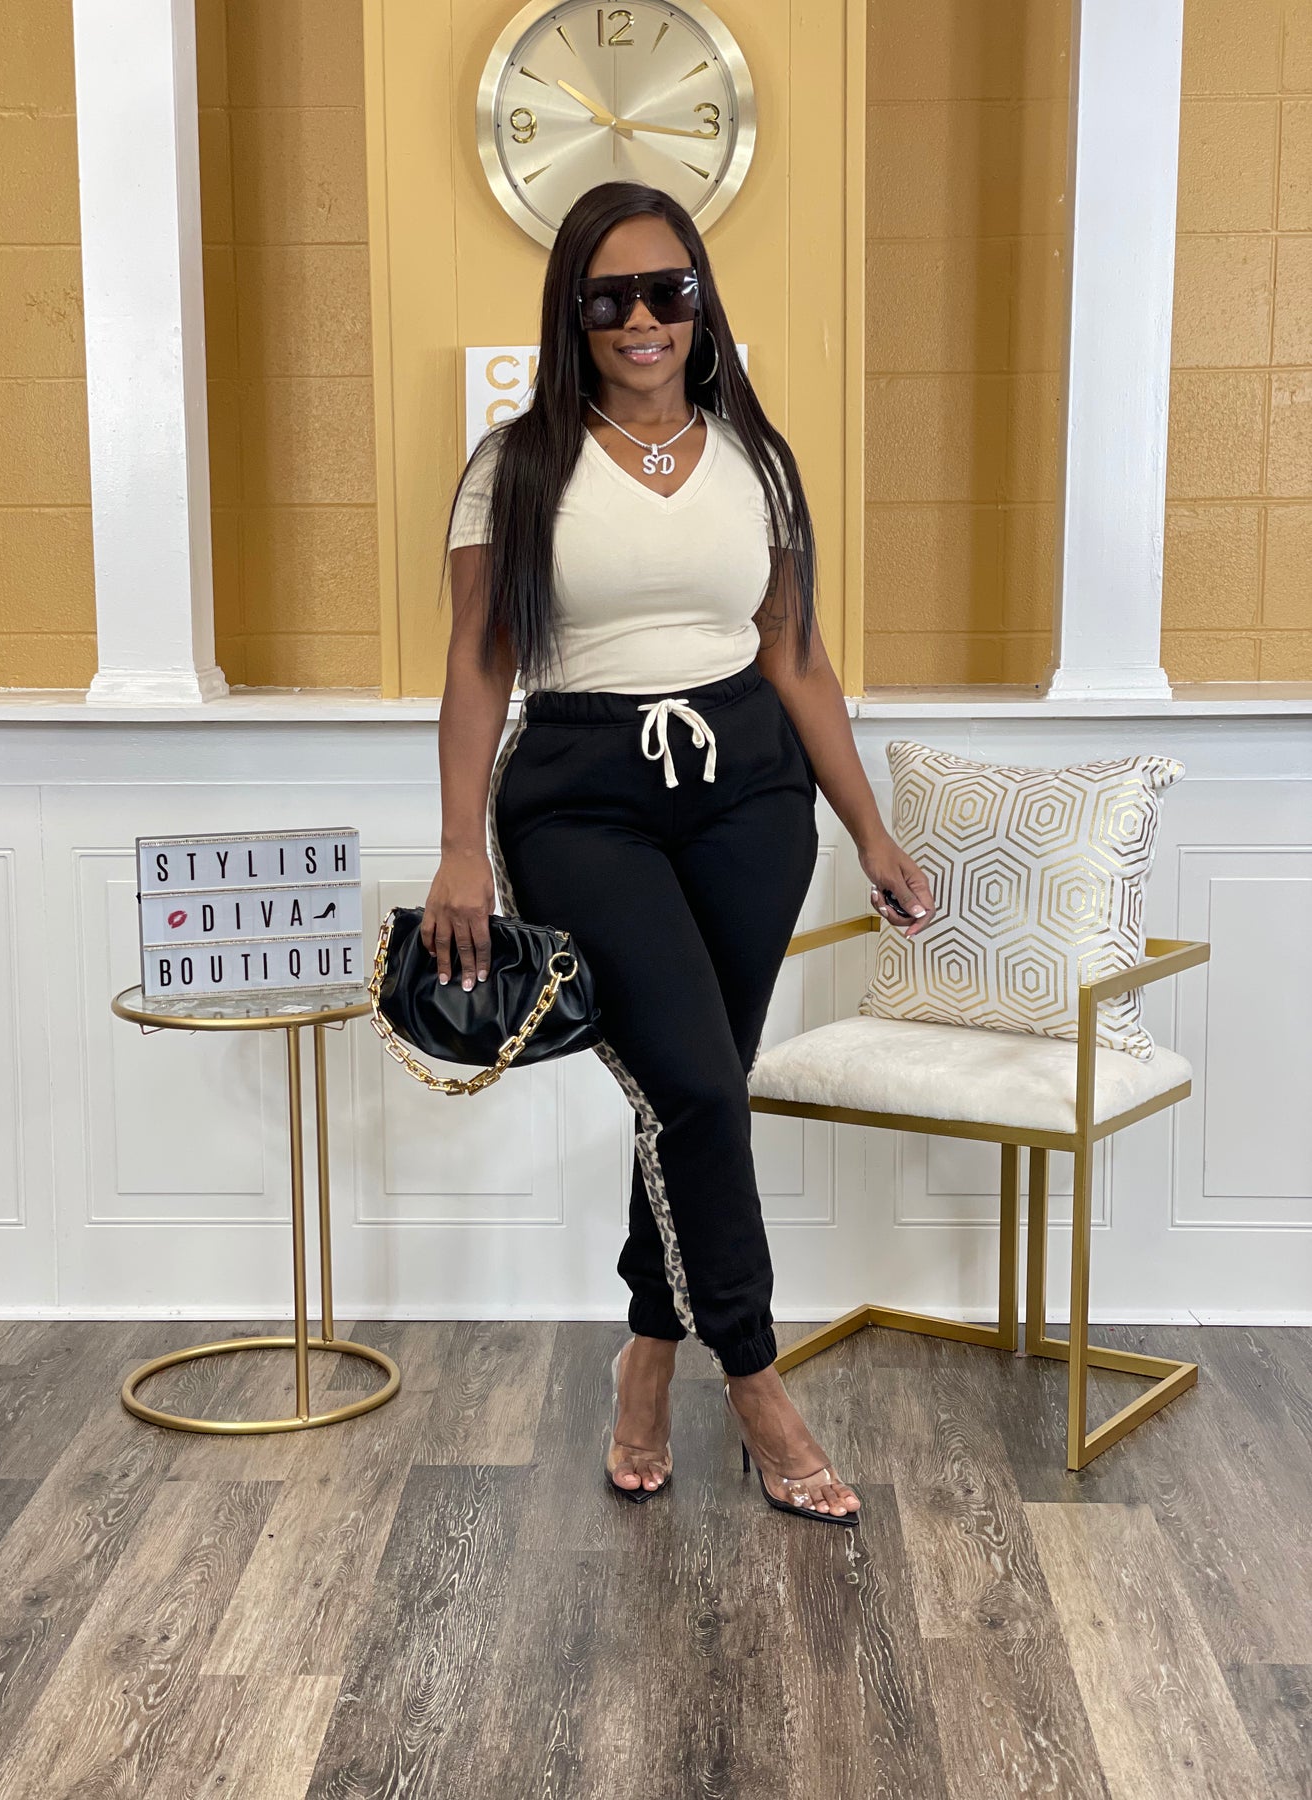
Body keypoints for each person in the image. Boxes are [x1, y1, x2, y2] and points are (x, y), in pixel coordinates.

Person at [426, 180, 934, 1525]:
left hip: (749, 791)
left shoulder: (755, 455)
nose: (642, 318)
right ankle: (755, 1381)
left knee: (690, 1097)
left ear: (700, 301)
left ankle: (647, 1353)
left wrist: (869, 827)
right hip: (579, 797)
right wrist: (460, 845)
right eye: (611, 297)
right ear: (573, 314)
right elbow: (478, 662)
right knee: (700, 1088)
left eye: (668, 290)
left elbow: (796, 655)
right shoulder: (515, 463)